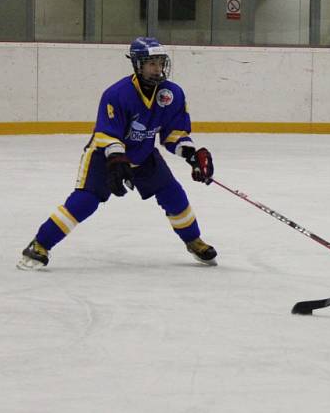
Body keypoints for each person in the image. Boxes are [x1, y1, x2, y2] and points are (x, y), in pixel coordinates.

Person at [17, 37, 217, 270]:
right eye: (151, 63)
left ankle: (193, 240)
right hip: (105, 156)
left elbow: (174, 134)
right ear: (137, 64)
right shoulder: (117, 94)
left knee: (174, 195)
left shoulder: (172, 94)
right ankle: (40, 244)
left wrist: (192, 154)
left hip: (143, 156)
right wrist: (117, 158)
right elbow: (106, 134)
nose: (158, 69)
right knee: (85, 201)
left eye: (160, 62)